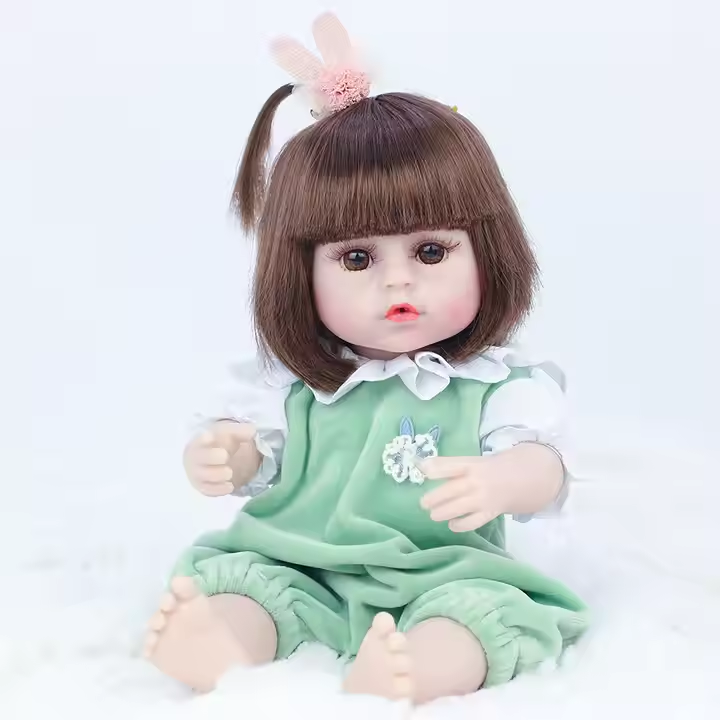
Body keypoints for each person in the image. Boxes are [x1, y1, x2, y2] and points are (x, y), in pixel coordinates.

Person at [143, 12, 589, 706]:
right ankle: (222, 641)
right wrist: (229, 454)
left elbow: (544, 466)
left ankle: (417, 664)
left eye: (431, 251)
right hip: (301, 559)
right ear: (299, 271)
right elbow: (254, 447)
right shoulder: (295, 384)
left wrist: (506, 479)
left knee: (479, 613)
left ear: (488, 250)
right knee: (249, 586)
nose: (398, 281)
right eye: (357, 258)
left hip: (443, 571)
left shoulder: (494, 385)